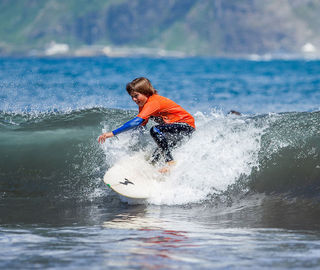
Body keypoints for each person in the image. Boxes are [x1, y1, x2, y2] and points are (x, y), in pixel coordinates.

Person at [98, 77, 195, 173]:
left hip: (186, 127)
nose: (134, 99)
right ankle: (158, 175)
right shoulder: (143, 106)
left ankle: (170, 163)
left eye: (136, 95)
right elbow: (140, 126)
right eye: (132, 97)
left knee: (155, 130)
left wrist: (112, 133)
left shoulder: (153, 102)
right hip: (176, 130)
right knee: (154, 158)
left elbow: (136, 122)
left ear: (146, 92)